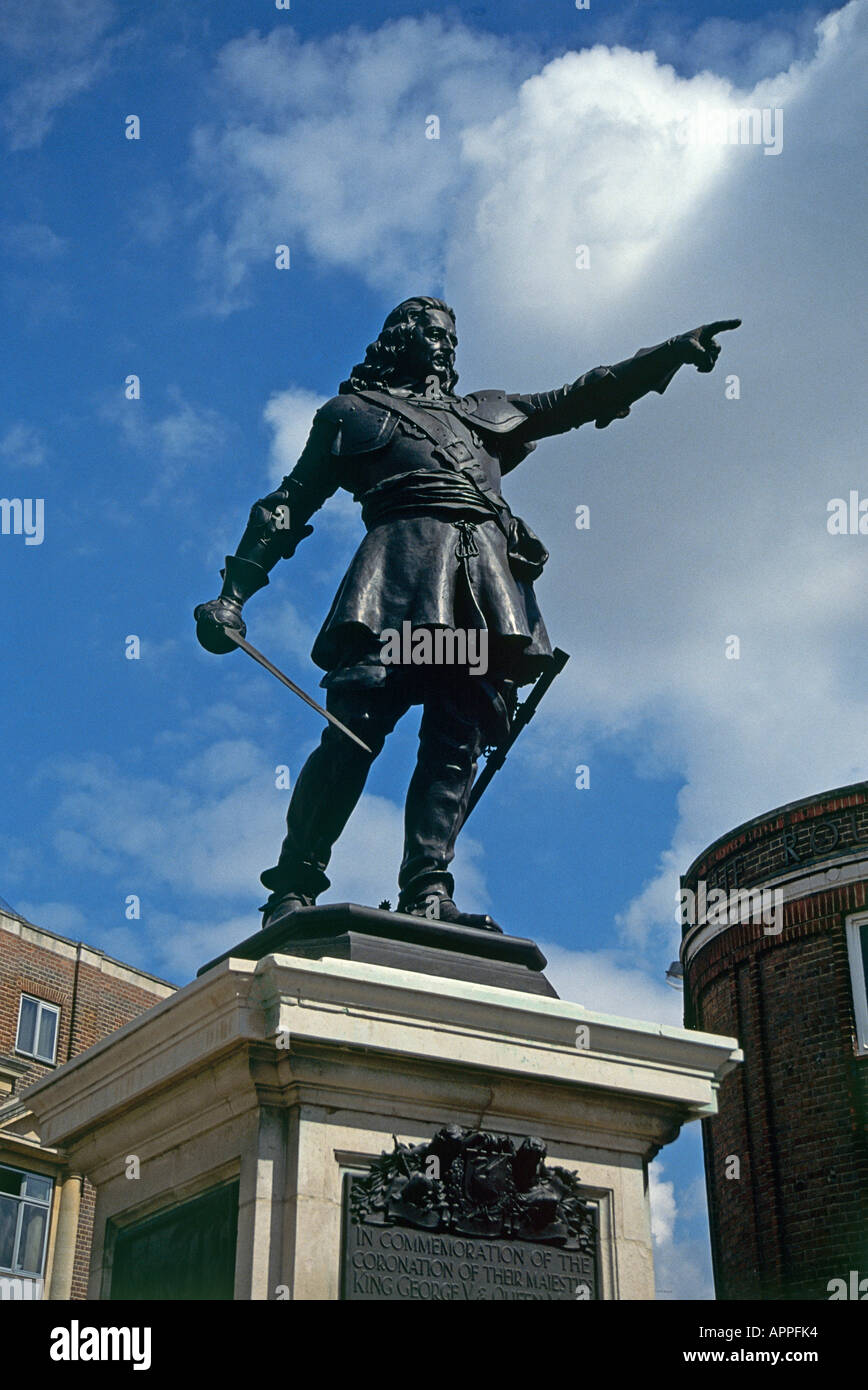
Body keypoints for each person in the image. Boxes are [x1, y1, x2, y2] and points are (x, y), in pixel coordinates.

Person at [195, 297, 739, 932]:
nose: (445, 343)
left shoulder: (486, 415)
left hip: (476, 589)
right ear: (399, 338)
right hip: (396, 586)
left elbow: (578, 398)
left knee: (457, 739)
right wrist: (235, 593)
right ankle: (294, 885)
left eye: (451, 334)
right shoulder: (352, 415)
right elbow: (287, 506)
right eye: (431, 331)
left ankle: (427, 885)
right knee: (355, 734)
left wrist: (667, 354)